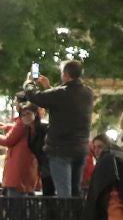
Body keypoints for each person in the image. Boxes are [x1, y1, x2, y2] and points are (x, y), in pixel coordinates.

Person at [23, 60, 95, 199]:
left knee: (64, 194)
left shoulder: (59, 94)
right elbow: (65, 104)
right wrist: (50, 88)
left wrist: (28, 83)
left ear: (66, 74)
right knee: (75, 193)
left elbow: (34, 96)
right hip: (80, 149)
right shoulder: (88, 93)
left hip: (60, 150)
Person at [0, 102, 41, 194]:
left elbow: (7, 141)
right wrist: (7, 126)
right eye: (23, 115)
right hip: (27, 171)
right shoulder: (32, 127)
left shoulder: (22, 125)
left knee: (16, 203)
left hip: (18, 173)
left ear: (35, 113)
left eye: (28, 113)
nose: (25, 117)